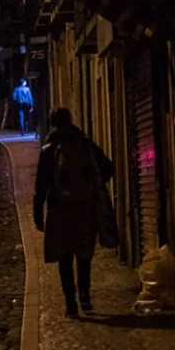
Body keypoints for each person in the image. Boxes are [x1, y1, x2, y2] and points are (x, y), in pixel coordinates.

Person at [33, 108, 115, 316]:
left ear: (52, 124)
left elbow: (41, 186)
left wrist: (37, 213)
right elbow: (108, 167)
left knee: (65, 257)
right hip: (86, 207)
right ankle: (85, 296)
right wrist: (91, 184)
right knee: (84, 254)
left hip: (60, 209)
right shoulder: (86, 145)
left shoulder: (48, 150)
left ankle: (71, 303)